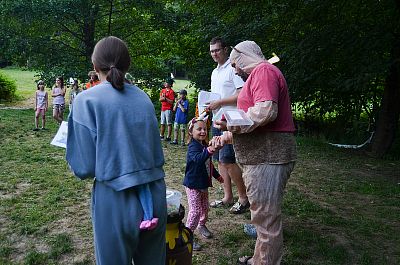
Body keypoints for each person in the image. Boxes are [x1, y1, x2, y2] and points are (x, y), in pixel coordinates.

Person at [66, 36, 167, 265]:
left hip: (115, 198)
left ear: (95, 66)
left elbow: (84, 167)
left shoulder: (86, 100)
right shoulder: (143, 98)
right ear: (127, 64)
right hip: (154, 195)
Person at [212, 40, 297, 265]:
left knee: (266, 217)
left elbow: (265, 111)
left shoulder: (264, 71)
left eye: (234, 63)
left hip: (269, 156)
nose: (234, 69)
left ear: (243, 57)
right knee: (262, 214)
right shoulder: (260, 74)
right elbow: (255, 122)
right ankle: (260, 259)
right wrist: (226, 136)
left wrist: (231, 124)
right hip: (263, 155)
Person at [207, 37, 249, 214]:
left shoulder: (233, 69)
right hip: (217, 119)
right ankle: (227, 197)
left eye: (217, 50)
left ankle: (244, 198)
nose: (214, 54)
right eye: (211, 51)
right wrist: (209, 105)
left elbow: (241, 95)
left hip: (230, 121)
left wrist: (220, 102)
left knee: (228, 161)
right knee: (219, 161)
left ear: (225, 49)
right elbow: (215, 96)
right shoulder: (215, 72)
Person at [183, 115, 224, 251]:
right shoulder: (192, 148)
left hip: (203, 184)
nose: (203, 131)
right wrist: (209, 150)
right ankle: (187, 237)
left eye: (205, 129)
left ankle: (201, 225)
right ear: (191, 132)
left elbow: (208, 164)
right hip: (193, 185)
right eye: (198, 129)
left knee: (205, 209)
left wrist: (217, 176)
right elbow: (199, 159)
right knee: (195, 211)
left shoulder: (204, 145)